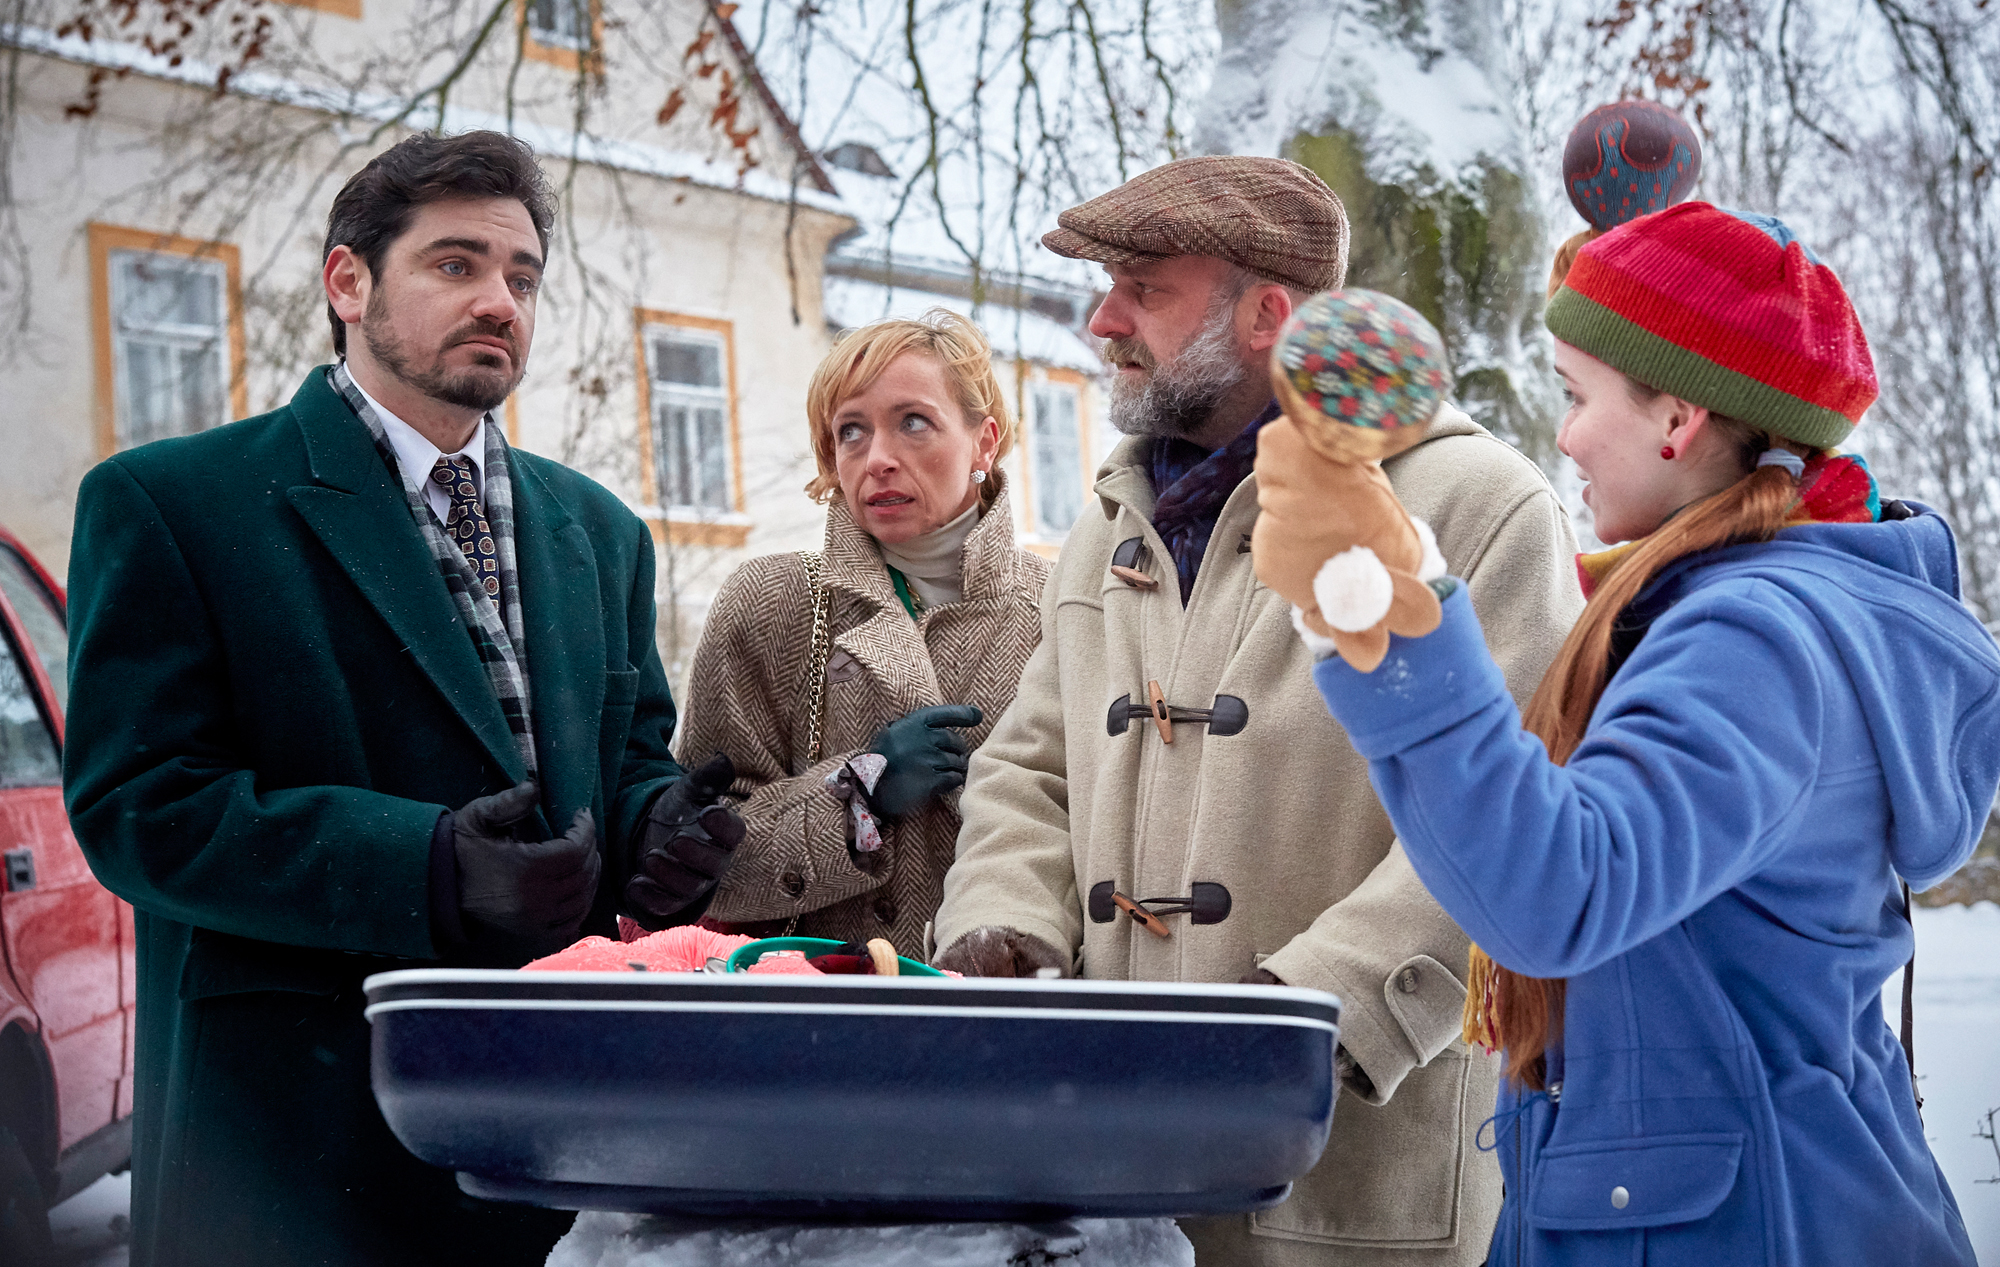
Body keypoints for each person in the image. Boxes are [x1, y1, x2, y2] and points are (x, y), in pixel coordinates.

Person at [62, 131, 742, 1266]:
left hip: (542, 1146)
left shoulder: (599, 532)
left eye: (521, 277)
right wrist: (422, 864)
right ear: (348, 283)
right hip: (289, 1141)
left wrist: (654, 828)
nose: (499, 301)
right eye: (454, 264)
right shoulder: (177, 503)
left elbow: (624, 756)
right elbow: (142, 806)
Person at [1304, 203, 1991, 1266]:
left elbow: (1556, 891)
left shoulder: (1752, 643)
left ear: (1674, 420)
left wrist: (1390, 628)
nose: (1565, 435)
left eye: (1577, 397)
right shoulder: (1742, 610)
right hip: (1741, 1203)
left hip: (1735, 1228)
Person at [932, 156, 1585, 1267]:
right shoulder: (1108, 520)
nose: (1102, 319)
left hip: (1350, 1178)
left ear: (1265, 314)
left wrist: (1300, 1018)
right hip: (1106, 1167)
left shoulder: (1476, 504)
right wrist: (1004, 922)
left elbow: (1514, 824)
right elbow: (1029, 765)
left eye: (1142, 287)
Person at [667, 311, 1049, 955]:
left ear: (984, 442)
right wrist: (859, 791)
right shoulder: (770, 602)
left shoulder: (1061, 609)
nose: (878, 459)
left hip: (1009, 1012)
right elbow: (696, 859)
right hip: (818, 1017)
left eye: (914, 422)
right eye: (852, 431)